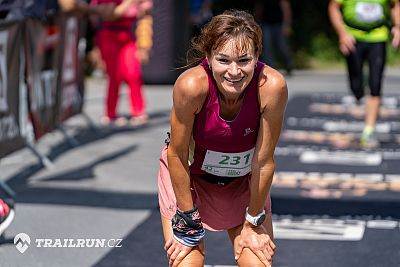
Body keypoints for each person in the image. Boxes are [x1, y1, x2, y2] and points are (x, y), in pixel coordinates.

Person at [157, 10, 288, 266]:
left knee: (258, 262)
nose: (234, 71)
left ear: (257, 57)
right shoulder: (192, 86)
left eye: (244, 60)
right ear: (208, 57)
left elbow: (263, 161)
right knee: (187, 263)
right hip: (190, 180)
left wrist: (253, 221)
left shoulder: (272, 86)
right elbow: (177, 154)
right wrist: (186, 216)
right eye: (224, 60)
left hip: (242, 183)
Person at [328, 0, 400, 148]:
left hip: (378, 36)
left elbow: (395, 5)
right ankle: (359, 90)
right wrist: (342, 33)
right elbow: (333, 7)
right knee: (356, 86)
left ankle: (369, 130)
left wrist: (397, 27)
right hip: (353, 37)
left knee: (376, 85)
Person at [91, 0, 153, 127]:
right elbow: (110, 14)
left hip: (127, 34)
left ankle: (138, 111)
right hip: (108, 33)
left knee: (133, 73)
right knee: (114, 75)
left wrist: (144, 45)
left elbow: (145, 14)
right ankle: (110, 114)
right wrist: (130, 3)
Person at [254, 0, 294, 76]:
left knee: (282, 47)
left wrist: (286, 25)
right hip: (266, 24)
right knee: (266, 47)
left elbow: (286, 10)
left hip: (279, 24)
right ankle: (270, 68)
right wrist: (256, 23)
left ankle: (288, 64)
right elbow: (259, 8)